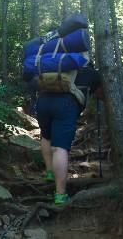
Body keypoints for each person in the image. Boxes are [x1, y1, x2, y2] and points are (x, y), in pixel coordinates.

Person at [35, 64, 103, 205]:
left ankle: (49, 172)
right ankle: (60, 195)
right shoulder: (90, 72)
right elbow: (101, 95)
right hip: (65, 104)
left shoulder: (54, 65)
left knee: (46, 136)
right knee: (60, 147)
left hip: (42, 101)